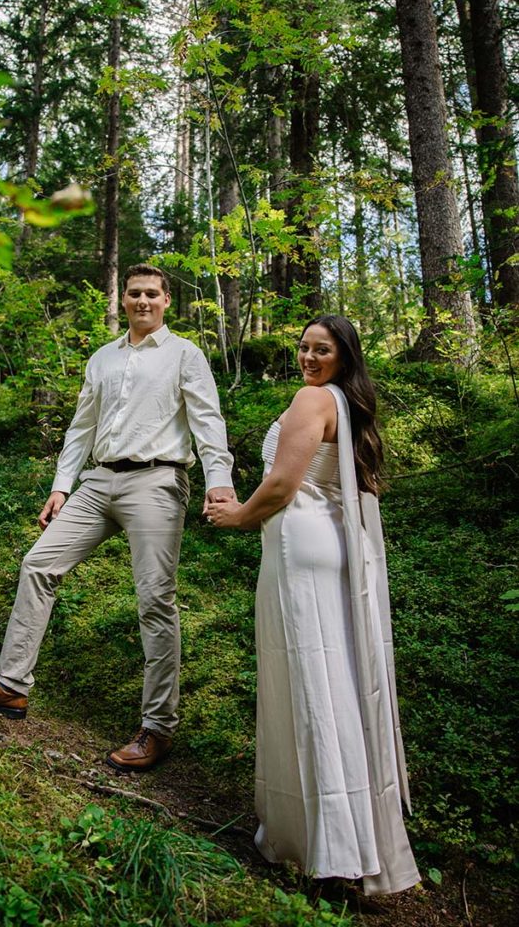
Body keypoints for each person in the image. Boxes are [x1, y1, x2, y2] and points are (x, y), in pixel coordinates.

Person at [0, 264, 235, 772]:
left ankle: (158, 727)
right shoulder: (102, 358)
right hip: (99, 482)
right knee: (38, 564)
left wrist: (219, 480)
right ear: (123, 299)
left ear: (167, 301)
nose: (142, 300)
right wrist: (61, 486)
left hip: (158, 481)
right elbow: (80, 429)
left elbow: (208, 421)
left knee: (155, 600)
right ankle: (11, 687)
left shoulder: (185, 355)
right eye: (133, 293)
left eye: (152, 294)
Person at [206, 315, 420, 895]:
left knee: (313, 687)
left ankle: (334, 850)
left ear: (344, 356)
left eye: (320, 348)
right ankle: (354, 841)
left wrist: (235, 516)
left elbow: (281, 484)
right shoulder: (349, 408)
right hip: (333, 546)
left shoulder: (311, 399)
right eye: (302, 346)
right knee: (339, 683)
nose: (307, 356)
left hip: (301, 546)